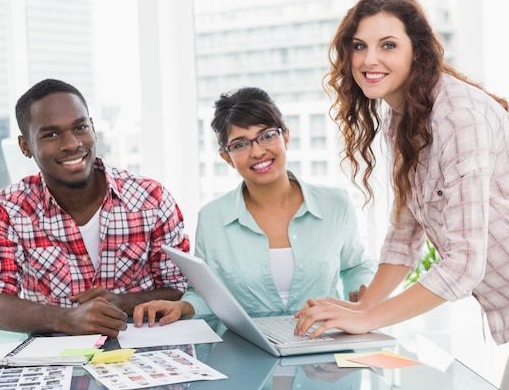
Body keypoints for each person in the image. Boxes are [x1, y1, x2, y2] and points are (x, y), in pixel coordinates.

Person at [293, 0, 509, 390]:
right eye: (359, 46)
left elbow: (464, 263)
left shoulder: (459, 117)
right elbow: (405, 235)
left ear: (417, 52)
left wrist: (368, 320)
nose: (369, 60)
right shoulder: (398, 121)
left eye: (388, 45)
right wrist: (362, 306)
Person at [133, 86, 376, 328]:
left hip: (321, 345)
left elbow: (355, 266)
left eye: (267, 135)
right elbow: (207, 295)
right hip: (247, 352)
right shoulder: (213, 218)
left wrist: (362, 291)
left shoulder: (335, 204)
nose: (258, 151)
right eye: (240, 145)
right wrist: (181, 307)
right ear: (227, 158)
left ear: (286, 137)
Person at [0, 78, 190, 338]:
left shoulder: (152, 198)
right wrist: (66, 319)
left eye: (80, 127)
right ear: (25, 146)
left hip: (142, 350)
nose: (72, 144)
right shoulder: (7, 210)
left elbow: (179, 286)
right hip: (52, 358)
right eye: (51, 134)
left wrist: (121, 302)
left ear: (93, 128)